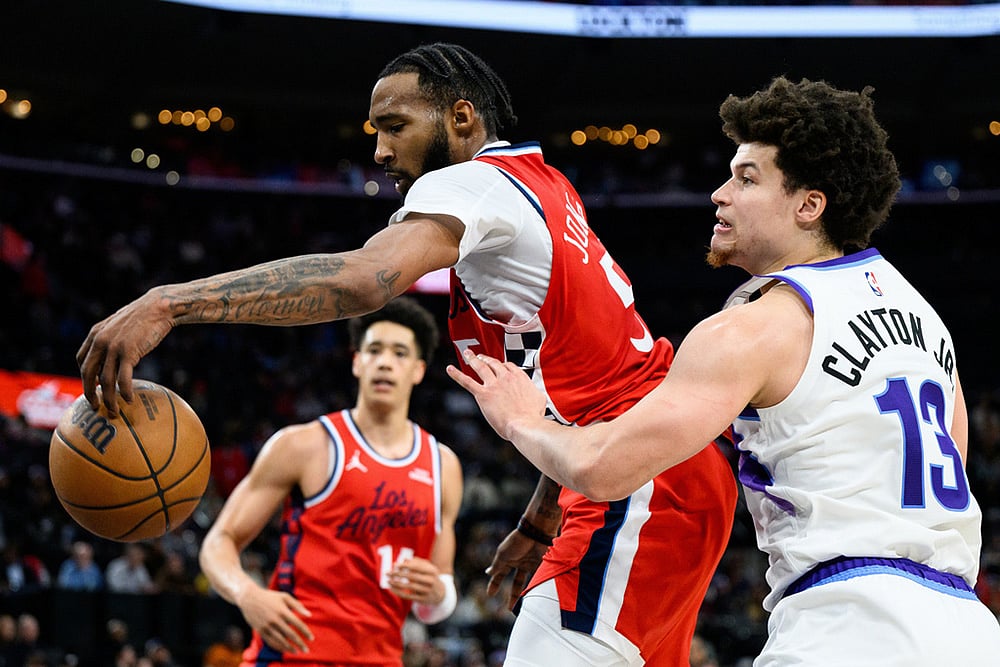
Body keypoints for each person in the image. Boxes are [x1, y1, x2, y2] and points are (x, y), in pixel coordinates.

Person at [77, 43, 737, 665]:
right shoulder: (546, 187)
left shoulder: (470, 182)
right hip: (659, 468)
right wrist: (541, 515)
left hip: (639, 478)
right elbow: (577, 379)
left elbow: (364, 278)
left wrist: (169, 303)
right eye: (374, 132)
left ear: (460, 117)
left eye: (394, 125)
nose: (381, 149)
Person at [447, 76, 1000, 665]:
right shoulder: (928, 321)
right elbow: (954, 472)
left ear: (809, 205)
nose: (719, 193)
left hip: (848, 624)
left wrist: (523, 421)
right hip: (967, 626)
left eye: (746, 178)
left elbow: (604, 470)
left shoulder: (757, 326)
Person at [198, 297, 464, 664]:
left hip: (382, 657)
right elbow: (218, 541)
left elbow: (437, 598)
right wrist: (248, 594)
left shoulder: (443, 465)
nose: (385, 361)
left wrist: (437, 593)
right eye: (374, 350)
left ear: (418, 370)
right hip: (292, 655)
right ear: (357, 362)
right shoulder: (304, 445)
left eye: (400, 353)